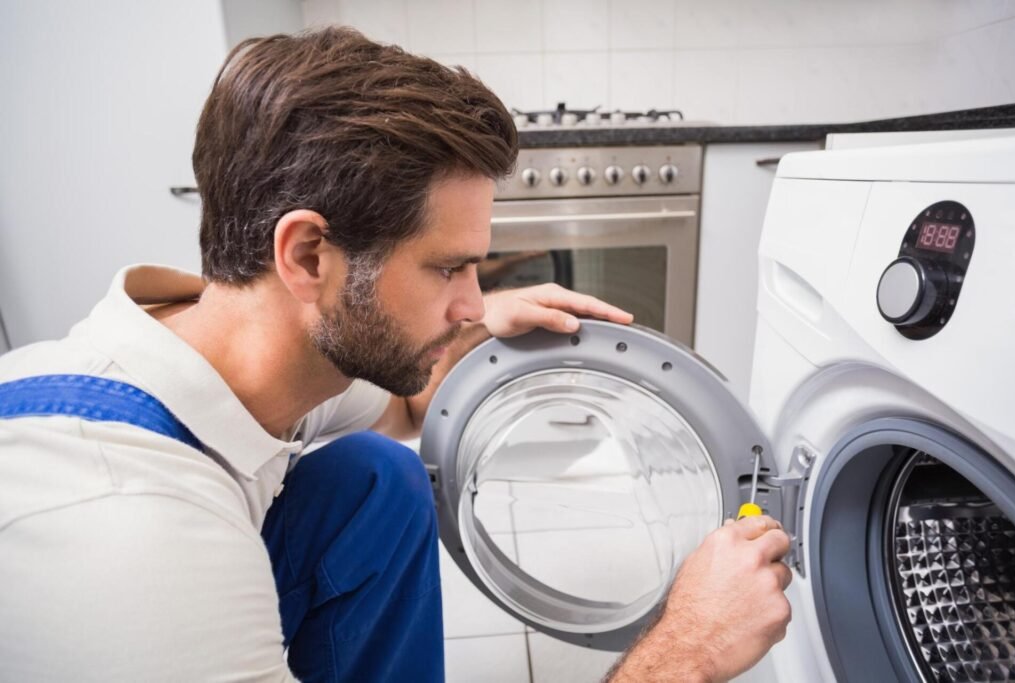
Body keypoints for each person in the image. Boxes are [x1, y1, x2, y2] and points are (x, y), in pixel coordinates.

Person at [0, 26, 791, 683]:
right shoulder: (134, 544)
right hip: (144, 606)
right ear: (309, 255)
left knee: (372, 478)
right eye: (449, 268)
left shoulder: (241, 345)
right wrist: (685, 650)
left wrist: (470, 329)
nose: (476, 300)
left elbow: (405, 409)